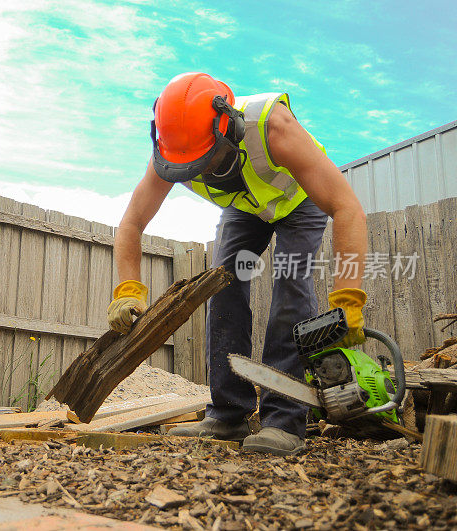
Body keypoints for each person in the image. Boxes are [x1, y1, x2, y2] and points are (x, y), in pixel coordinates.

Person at [107, 72, 367, 456]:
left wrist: (348, 299)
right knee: (222, 287)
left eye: (206, 161)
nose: (201, 173)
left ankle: (284, 421)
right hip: (244, 208)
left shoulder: (273, 127)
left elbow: (348, 208)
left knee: (290, 289)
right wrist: (128, 291)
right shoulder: (177, 147)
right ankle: (228, 414)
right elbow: (131, 223)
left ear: (227, 128)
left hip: (298, 200)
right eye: (190, 167)